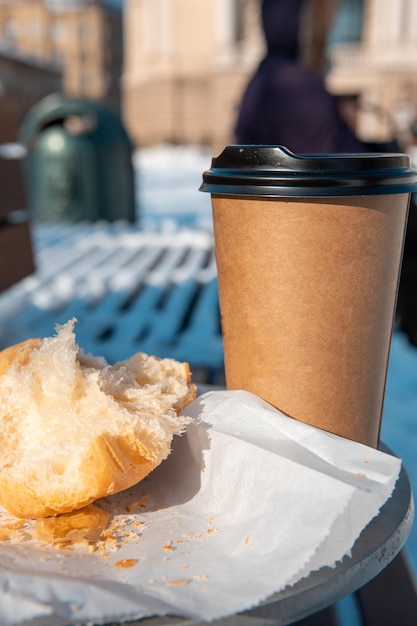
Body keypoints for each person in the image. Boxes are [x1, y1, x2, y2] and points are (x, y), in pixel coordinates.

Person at [234, 0, 417, 345]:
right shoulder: (294, 83)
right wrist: (383, 152)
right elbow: (340, 159)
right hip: (312, 236)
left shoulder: (269, 76)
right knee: (408, 217)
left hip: (280, 230)